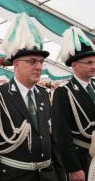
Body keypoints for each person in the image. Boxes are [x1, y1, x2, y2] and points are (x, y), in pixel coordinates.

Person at [0, 13, 65, 181]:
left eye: (40, 62)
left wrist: (61, 175)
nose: (39, 67)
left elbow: (53, 140)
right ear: (16, 64)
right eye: (32, 61)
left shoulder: (43, 94)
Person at [52, 26, 95, 181]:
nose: (94, 66)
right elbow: (61, 134)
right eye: (89, 62)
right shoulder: (63, 92)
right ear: (75, 65)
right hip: (83, 159)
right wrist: (73, 168)